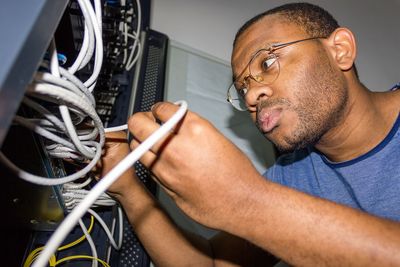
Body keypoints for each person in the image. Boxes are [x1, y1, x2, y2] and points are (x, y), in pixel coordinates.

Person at [100, 2, 400, 266]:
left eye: (267, 63)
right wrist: (128, 188)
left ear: (340, 50)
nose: (252, 95)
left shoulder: (264, 194)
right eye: (242, 88)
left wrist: (246, 201)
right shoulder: (293, 175)